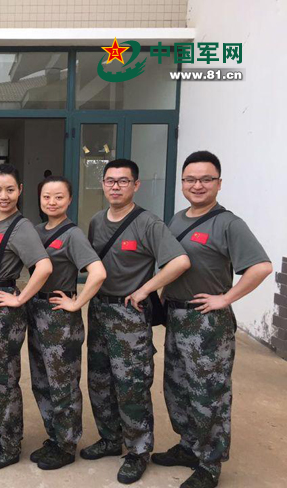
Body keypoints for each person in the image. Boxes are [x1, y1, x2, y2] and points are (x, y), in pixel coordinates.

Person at [152, 151, 272, 488]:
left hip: (207, 323)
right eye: (190, 179)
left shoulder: (229, 223)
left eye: (206, 179)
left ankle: (209, 464)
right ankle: (189, 446)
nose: (197, 185)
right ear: (182, 183)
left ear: (219, 183)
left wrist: (226, 298)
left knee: (209, 394)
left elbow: (261, 267)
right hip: (177, 317)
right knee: (177, 388)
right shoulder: (177, 220)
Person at [82, 159, 191, 484]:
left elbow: (180, 261)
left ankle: (138, 451)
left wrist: (146, 289)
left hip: (130, 315)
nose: (116, 186)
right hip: (100, 310)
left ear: (136, 185)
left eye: (123, 181)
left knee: (131, 385)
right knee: (99, 380)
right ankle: (109, 438)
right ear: (103, 184)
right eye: (110, 181)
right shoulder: (96, 221)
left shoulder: (148, 223)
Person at [0, 163, 52, 470]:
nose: (3, 196)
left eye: (9, 190)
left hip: (4, 309)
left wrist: (19, 298)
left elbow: (44, 267)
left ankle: (9, 445)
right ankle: (4, 432)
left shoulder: (22, 227)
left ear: (20, 190)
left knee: (3, 378)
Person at [27, 175, 106, 470]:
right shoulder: (36, 231)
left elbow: (97, 272)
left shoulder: (73, 235)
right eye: (46, 197)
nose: (52, 202)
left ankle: (67, 444)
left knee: (63, 383)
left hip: (60, 317)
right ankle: (55, 436)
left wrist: (76, 302)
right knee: (41, 381)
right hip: (36, 311)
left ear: (69, 200)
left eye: (59, 197)